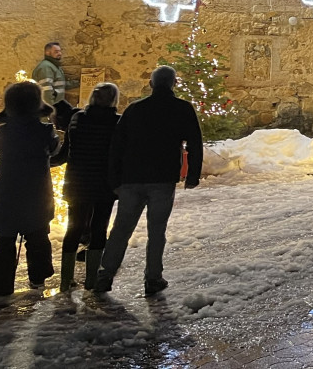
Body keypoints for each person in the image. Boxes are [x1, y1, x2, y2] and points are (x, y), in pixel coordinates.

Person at [93, 65, 203, 296]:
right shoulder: (182, 109)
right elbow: (194, 142)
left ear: (151, 84)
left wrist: (114, 179)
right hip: (162, 178)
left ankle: (105, 274)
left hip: (132, 177)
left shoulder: (135, 109)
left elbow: (117, 145)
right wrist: (192, 175)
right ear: (174, 83)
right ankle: (153, 277)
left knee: (121, 228)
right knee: (157, 230)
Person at [0, 80, 60, 295]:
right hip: (37, 193)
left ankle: (1, 284)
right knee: (38, 237)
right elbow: (54, 150)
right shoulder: (45, 131)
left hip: (7, 192)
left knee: (5, 240)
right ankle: (38, 278)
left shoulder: (3, 132)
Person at [56, 82, 120, 292]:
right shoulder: (117, 122)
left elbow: (67, 151)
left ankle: (66, 280)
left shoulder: (77, 119)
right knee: (99, 228)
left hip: (77, 180)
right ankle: (91, 279)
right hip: (103, 182)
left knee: (73, 227)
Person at [33, 41, 75, 132]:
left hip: (57, 106)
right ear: (47, 52)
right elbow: (46, 90)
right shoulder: (46, 67)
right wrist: (50, 111)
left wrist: (78, 83)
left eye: (60, 51)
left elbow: (60, 85)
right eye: (56, 52)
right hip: (51, 107)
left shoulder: (54, 66)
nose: (59, 53)